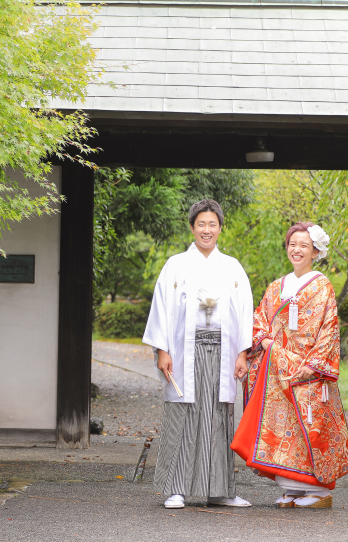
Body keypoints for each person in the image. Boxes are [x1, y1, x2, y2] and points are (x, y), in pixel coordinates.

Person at [231, 221, 348, 509]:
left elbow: (329, 329)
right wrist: (263, 341)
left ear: (315, 251)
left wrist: (314, 364)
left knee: (308, 428)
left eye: (304, 245)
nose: (297, 250)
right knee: (281, 429)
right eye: (292, 244)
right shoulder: (278, 285)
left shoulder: (322, 286)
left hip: (305, 370)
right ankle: (292, 489)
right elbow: (260, 318)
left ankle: (318, 491)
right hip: (276, 369)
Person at [143, 199, 254, 510]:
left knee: (219, 417)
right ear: (192, 227)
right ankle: (174, 489)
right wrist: (162, 350)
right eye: (201, 224)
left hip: (223, 351)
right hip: (183, 353)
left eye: (212, 224)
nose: (207, 230)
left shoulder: (232, 267)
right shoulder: (175, 265)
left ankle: (220, 490)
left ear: (220, 228)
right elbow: (162, 310)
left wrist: (242, 353)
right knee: (183, 414)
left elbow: (244, 313)